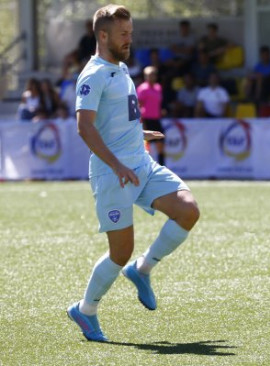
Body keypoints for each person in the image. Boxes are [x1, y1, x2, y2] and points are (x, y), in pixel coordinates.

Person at [66, 5, 200, 342]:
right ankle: (85, 310)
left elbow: (114, 120)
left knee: (188, 209)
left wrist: (139, 136)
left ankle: (142, 270)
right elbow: (85, 127)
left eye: (130, 33)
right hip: (114, 174)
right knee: (119, 251)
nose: (129, 39)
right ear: (103, 35)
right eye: (123, 34)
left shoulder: (122, 68)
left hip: (140, 164)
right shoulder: (93, 74)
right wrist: (117, 164)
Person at [137, 66, 166, 166]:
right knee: (145, 146)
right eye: (148, 75)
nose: (150, 77)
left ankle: (162, 167)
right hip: (145, 120)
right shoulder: (142, 89)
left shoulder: (158, 88)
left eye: (152, 75)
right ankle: (144, 167)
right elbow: (138, 105)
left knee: (160, 145)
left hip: (156, 120)